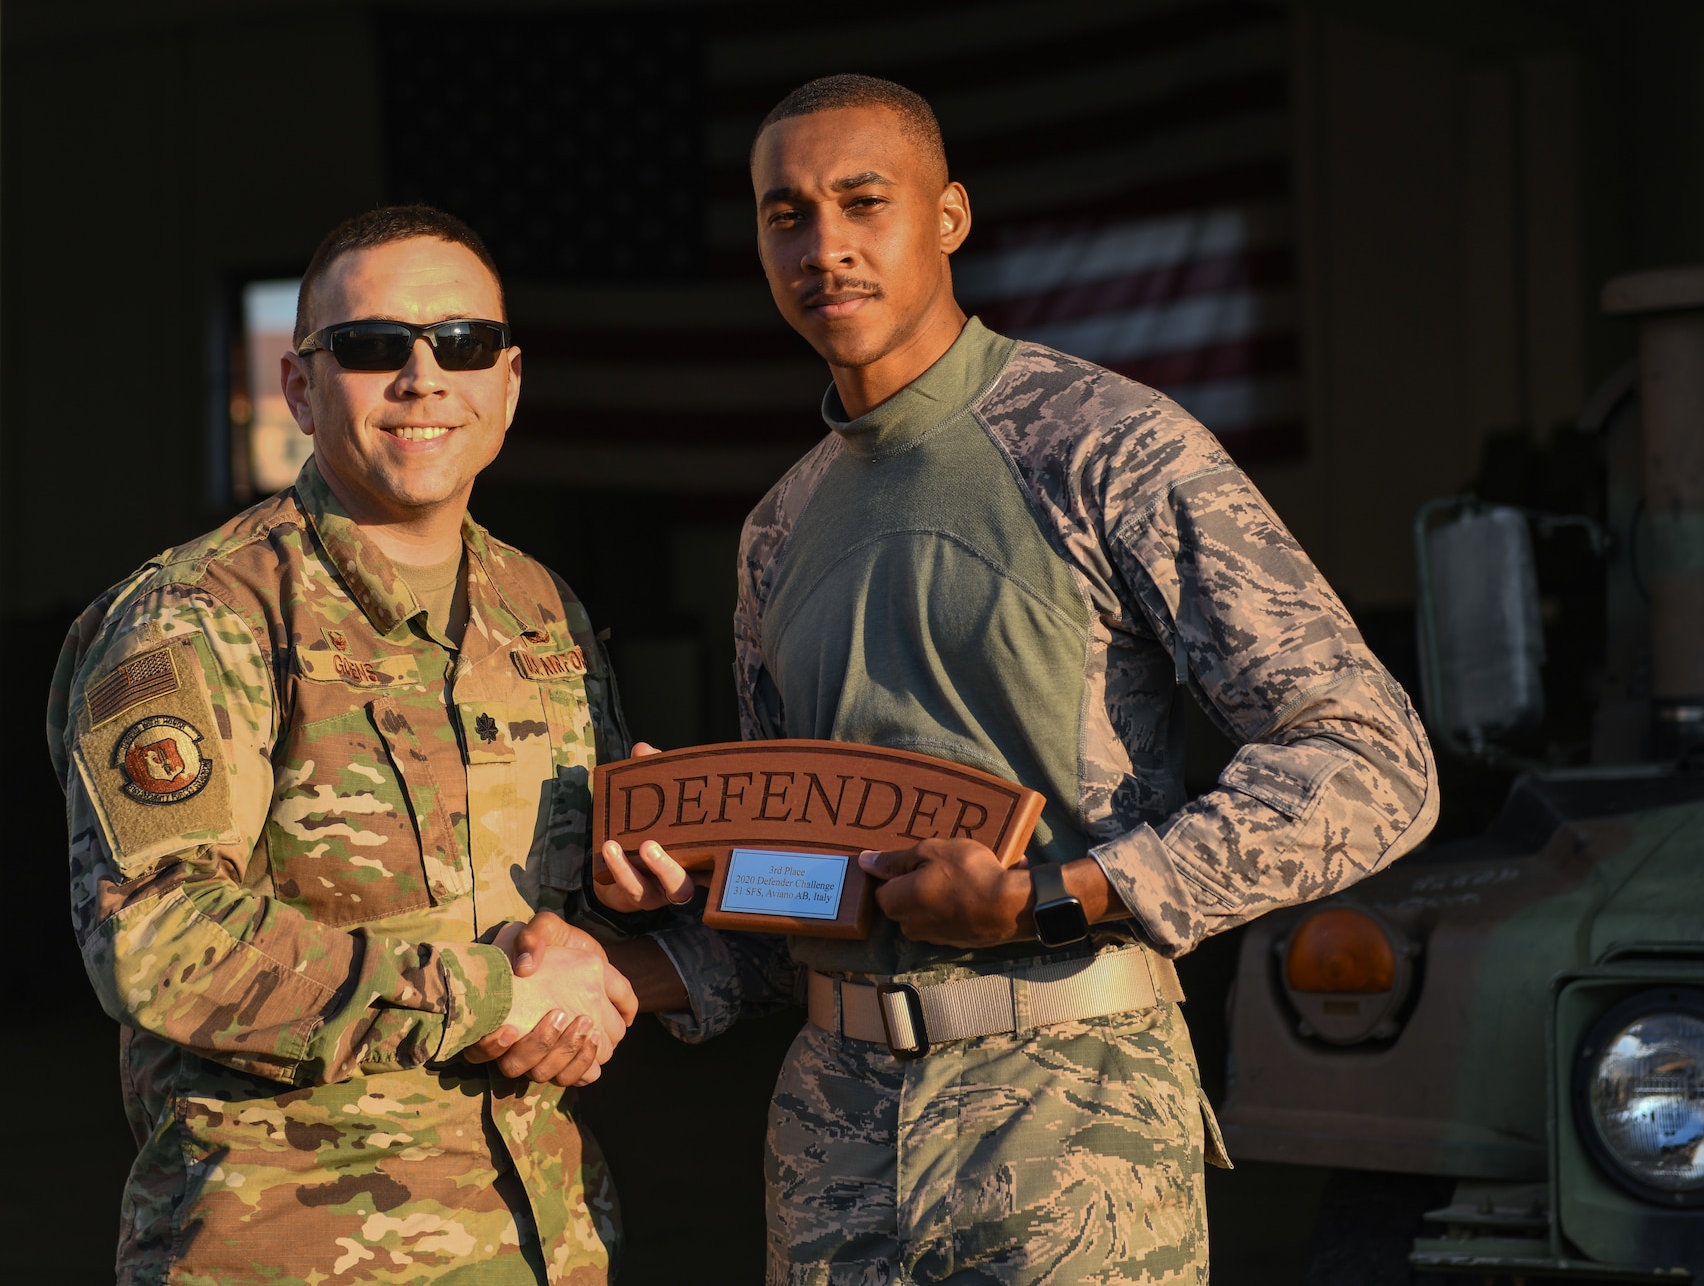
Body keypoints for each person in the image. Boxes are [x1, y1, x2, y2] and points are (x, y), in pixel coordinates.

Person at [578, 74, 1439, 1284]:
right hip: (829, 1137)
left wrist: (1058, 895)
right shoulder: (779, 526)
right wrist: (667, 907)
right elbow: (809, 896)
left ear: (949, 216)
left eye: (862, 201)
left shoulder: (1104, 448)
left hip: (1069, 1117)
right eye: (786, 214)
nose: (823, 246)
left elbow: (1369, 764)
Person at [48, 206, 639, 1284]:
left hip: (539, 1236)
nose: (423, 377)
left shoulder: (540, 611)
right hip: (283, 1247)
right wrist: (494, 996)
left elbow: (562, 921)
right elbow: (158, 938)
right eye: (373, 347)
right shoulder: (196, 615)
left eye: (462, 345)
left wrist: (620, 909)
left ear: (507, 382)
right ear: (300, 387)